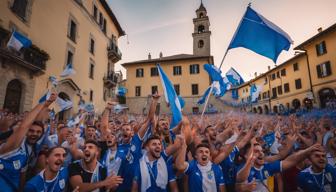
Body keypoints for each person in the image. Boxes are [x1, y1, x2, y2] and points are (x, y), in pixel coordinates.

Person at [0, 92, 57, 192]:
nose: (34, 134)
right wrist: (45, 104)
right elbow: (24, 125)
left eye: (38, 132)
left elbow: (22, 176)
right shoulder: (11, 147)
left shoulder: (32, 148)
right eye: (31, 131)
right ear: (25, 133)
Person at [236, 141, 324, 192]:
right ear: (246, 156)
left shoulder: (267, 167)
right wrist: (244, 187)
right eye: (256, 151)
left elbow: (289, 161)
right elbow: (236, 185)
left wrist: (307, 151)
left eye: (261, 150)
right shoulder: (241, 168)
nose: (261, 153)